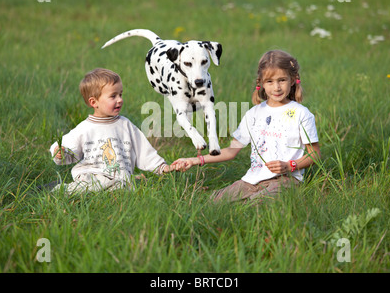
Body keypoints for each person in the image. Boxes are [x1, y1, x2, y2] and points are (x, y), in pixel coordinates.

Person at [172, 50, 320, 203]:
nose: (276, 87)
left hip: (287, 181)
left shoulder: (301, 113)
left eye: (282, 80)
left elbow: (314, 154)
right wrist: (195, 160)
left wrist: (290, 166)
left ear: (293, 80)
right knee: (212, 203)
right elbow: (231, 151)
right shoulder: (253, 114)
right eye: (270, 81)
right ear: (261, 83)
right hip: (251, 180)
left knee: (255, 205)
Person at [48, 68, 174, 194]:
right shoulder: (85, 128)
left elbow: (143, 150)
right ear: (94, 102)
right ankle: (60, 189)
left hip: (120, 178)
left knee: (124, 190)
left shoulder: (125, 125)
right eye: (113, 96)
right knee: (88, 189)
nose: (119, 100)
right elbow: (65, 146)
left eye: (120, 94)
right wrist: (60, 152)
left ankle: (131, 182)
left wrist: (161, 167)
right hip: (91, 176)